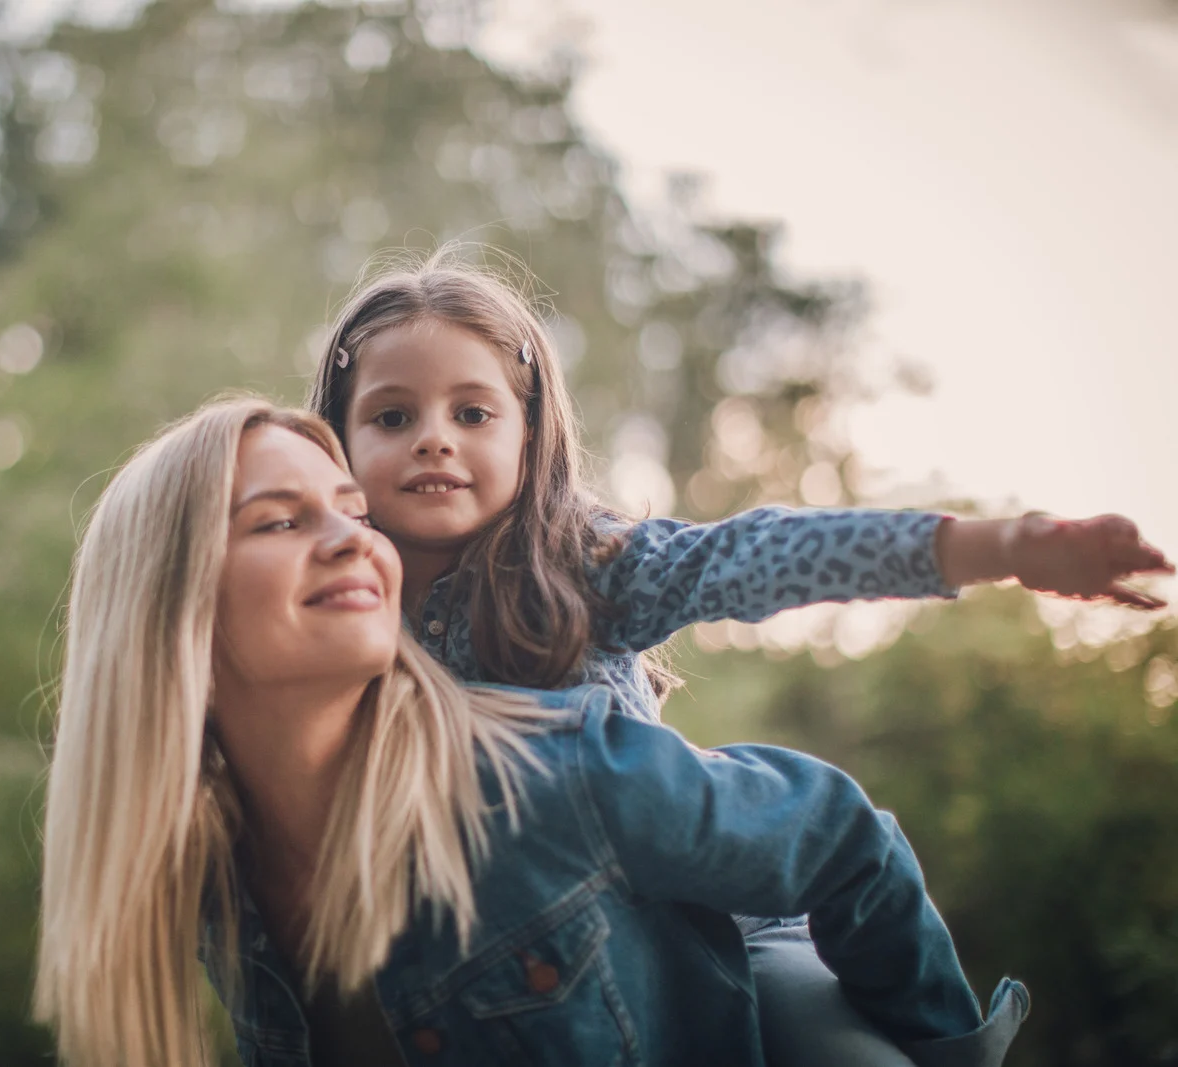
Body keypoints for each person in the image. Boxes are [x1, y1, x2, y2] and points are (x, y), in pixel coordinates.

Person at [305, 246, 1171, 1066]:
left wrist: (999, 546)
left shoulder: (585, 564)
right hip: (518, 978)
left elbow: (752, 556)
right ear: (334, 446)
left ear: (528, 438)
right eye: (392, 415)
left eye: (473, 412)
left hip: (717, 929)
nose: (434, 437)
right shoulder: (330, 623)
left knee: (839, 1050)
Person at [32, 396, 1028, 1067]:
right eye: (278, 521)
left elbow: (842, 837)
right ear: (168, 608)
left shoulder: (542, 772)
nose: (353, 536)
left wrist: (936, 1046)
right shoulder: (210, 888)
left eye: (348, 506)